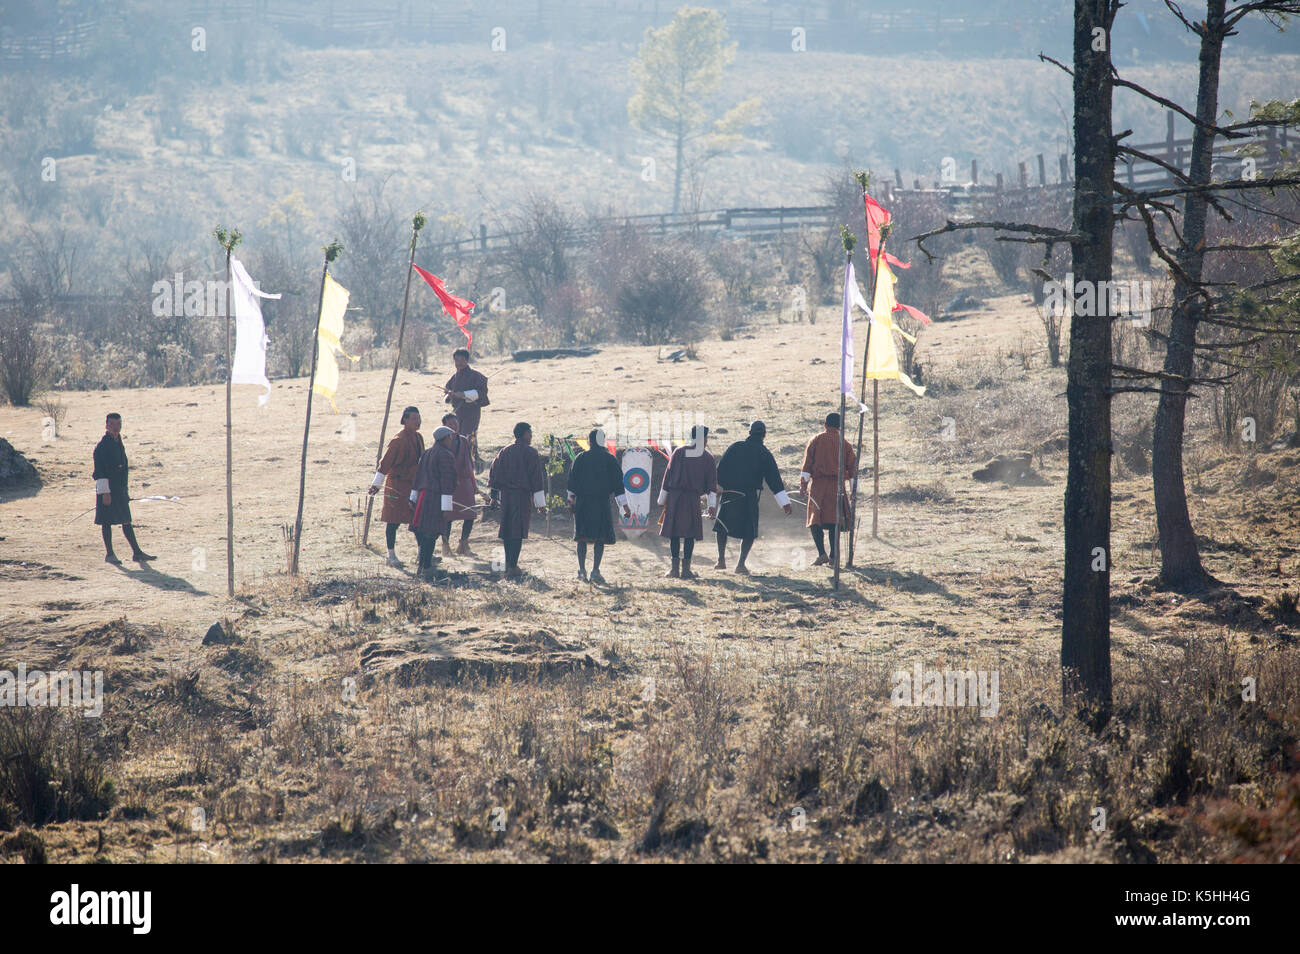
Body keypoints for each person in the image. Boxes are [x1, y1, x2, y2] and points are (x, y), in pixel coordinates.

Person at [713, 420, 792, 575]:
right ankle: (740, 565)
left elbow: (719, 471)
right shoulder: (764, 454)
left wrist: (718, 487)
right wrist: (785, 503)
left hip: (730, 494)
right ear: (764, 435)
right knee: (749, 531)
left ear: (749, 433)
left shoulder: (735, 447)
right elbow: (774, 480)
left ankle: (721, 560)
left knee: (722, 527)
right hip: (748, 497)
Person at [566, 429, 631, 584]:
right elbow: (618, 486)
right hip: (601, 503)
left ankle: (581, 570)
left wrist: (571, 502)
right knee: (600, 538)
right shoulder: (610, 459)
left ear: (589, 441)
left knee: (582, 537)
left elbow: (571, 483)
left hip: (582, 504)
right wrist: (625, 507)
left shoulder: (580, 458)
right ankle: (595, 571)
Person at [93, 412, 156, 564]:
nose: (116, 428)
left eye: (118, 424)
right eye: (112, 425)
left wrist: (125, 491)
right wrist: (105, 493)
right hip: (107, 490)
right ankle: (110, 555)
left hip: (119, 489)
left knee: (126, 520)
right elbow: (100, 471)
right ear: (106, 426)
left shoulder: (118, 442)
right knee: (106, 521)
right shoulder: (102, 447)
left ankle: (137, 553)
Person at [657, 424, 717, 580]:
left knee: (675, 534)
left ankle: (674, 570)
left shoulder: (679, 452)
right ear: (704, 439)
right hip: (691, 500)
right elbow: (711, 486)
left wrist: (662, 499)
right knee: (689, 535)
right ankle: (685, 571)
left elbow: (668, 477)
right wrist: (711, 506)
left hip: (675, 498)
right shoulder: (707, 457)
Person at [488, 421, 546, 579]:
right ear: (525, 434)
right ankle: (513, 566)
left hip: (506, 497)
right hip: (521, 496)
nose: (531, 436)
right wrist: (540, 504)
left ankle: (509, 564)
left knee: (507, 530)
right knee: (518, 531)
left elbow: (495, 474)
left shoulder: (504, 451)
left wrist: (494, 497)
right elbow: (536, 479)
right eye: (530, 433)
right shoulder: (530, 452)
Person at [368, 406, 424, 568]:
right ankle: (390, 555)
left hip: (413, 485)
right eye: (414, 419)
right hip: (397, 485)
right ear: (405, 420)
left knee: (417, 519)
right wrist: (376, 484)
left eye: (419, 418)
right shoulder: (398, 440)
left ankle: (422, 553)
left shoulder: (419, 438)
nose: (417, 422)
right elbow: (384, 464)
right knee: (393, 521)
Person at [800, 412, 857, 567]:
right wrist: (853, 491)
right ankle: (832, 557)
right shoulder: (845, 444)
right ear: (839, 427)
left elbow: (807, 466)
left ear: (825, 425)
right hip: (837, 486)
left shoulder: (816, 440)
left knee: (814, 520)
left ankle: (821, 554)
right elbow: (853, 470)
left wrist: (803, 485)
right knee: (834, 521)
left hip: (818, 486)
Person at [409, 426, 458, 581]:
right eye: (450, 438)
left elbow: (418, 477)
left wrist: (413, 497)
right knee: (431, 533)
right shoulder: (446, 455)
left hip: (423, 498)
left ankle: (423, 566)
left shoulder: (427, 453)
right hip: (435, 499)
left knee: (425, 533)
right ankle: (426, 568)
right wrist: (447, 507)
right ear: (444, 438)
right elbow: (447, 481)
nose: (451, 441)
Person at [439, 413, 478, 557]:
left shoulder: (464, 441)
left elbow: (469, 463)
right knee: (447, 516)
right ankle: (445, 544)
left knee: (470, 513)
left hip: (465, 482)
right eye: (450, 424)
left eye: (455, 423)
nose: (454, 427)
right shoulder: (441, 443)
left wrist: (474, 484)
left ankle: (464, 543)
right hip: (449, 485)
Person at [444, 347, 489, 467]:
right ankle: (466, 460)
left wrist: (463, 394)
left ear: (467, 360)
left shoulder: (476, 376)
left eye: (461, 360)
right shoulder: (454, 377)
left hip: (471, 412)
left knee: (468, 435)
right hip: (458, 412)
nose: (458, 363)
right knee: (458, 435)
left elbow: (481, 393)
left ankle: (470, 461)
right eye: (456, 360)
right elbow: (448, 391)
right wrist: (450, 395)